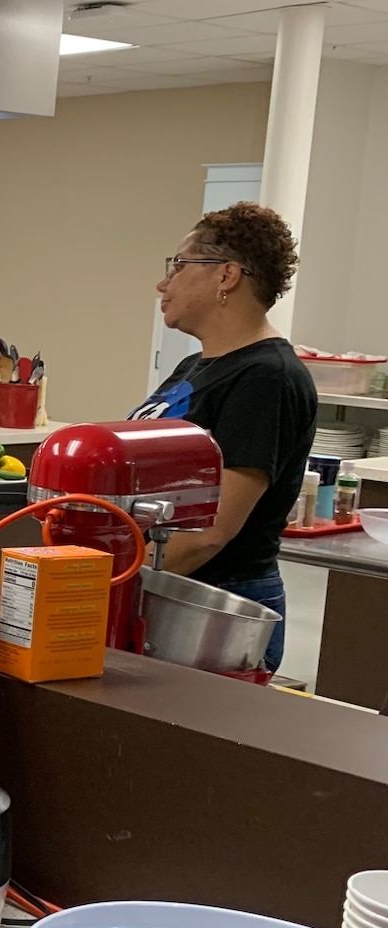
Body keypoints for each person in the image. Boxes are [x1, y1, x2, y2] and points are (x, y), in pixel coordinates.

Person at [130, 202, 317, 672]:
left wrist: (106, 581)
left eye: (177, 266)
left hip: (208, 607)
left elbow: (211, 533)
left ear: (226, 276)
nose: (163, 283)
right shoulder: (196, 366)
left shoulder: (266, 378)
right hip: (159, 590)